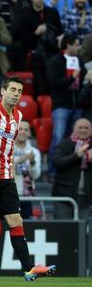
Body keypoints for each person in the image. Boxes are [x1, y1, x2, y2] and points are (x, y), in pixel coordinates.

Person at [0, 76, 56, 281]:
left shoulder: (18, 116)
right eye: (12, 89)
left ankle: (29, 268)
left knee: (16, 220)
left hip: (6, 177)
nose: (16, 94)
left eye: (19, 91)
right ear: (2, 91)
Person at [47, 34, 85, 172]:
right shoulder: (55, 61)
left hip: (77, 106)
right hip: (61, 105)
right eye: (76, 44)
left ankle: (68, 169)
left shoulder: (79, 61)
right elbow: (53, 82)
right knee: (58, 137)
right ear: (68, 45)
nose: (78, 47)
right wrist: (71, 78)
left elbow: (82, 80)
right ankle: (52, 170)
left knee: (72, 140)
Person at [52, 118, 92, 219]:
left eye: (86, 128)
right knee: (63, 231)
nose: (83, 130)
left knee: (84, 232)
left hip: (87, 199)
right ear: (74, 129)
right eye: (80, 127)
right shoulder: (64, 144)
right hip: (64, 197)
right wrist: (77, 155)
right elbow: (57, 164)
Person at [13, 120, 41, 219]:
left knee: (24, 229)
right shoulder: (7, 149)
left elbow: (36, 175)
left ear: (29, 133)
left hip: (25, 197)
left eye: (26, 130)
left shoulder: (34, 152)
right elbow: (3, 169)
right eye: (20, 129)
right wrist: (20, 159)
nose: (22, 132)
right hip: (8, 195)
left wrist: (32, 162)